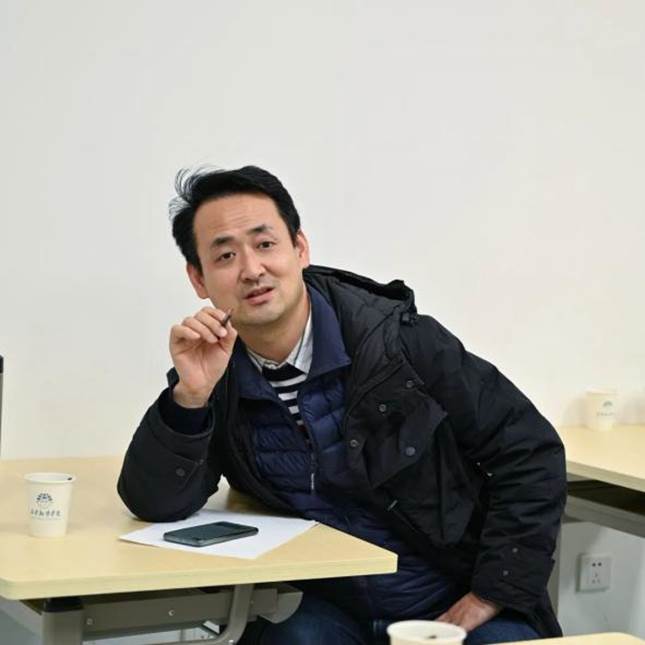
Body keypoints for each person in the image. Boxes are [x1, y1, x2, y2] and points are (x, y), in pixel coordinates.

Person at [118, 165, 567, 645]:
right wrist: (189, 397)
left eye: (265, 244)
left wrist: (490, 594)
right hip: (322, 608)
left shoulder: (398, 344)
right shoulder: (215, 370)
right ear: (198, 278)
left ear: (300, 249)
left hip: (447, 593)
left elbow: (530, 451)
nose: (251, 269)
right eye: (225, 255)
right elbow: (155, 505)